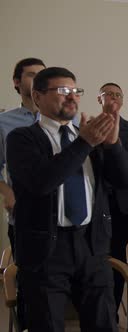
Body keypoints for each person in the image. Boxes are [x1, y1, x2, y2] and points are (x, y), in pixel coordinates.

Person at [6, 66, 128, 331]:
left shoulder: (87, 136)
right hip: (46, 250)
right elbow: (42, 182)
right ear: (38, 97)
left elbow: (125, 181)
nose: (72, 97)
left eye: (76, 91)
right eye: (62, 91)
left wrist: (112, 145)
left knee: (103, 323)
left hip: (91, 245)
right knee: (48, 324)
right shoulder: (22, 138)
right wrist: (85, 143)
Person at [97, 82, 128, 324]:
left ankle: (113, 313)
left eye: (118, 95)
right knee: (95, 264)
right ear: (99, 100)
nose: (113, 98)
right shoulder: (87, 128)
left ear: (122, 101)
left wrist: (115, 142)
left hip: (122, 207)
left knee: (116, 263)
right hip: (96, 208)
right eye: (108, 94)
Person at [0, 57, 45, 252]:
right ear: (17, 82)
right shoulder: (3, 123)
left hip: (64, 217)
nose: (39, 79)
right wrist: (7, 193)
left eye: (42, 75)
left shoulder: (69, 120)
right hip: (23, 212)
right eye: (32, 75)